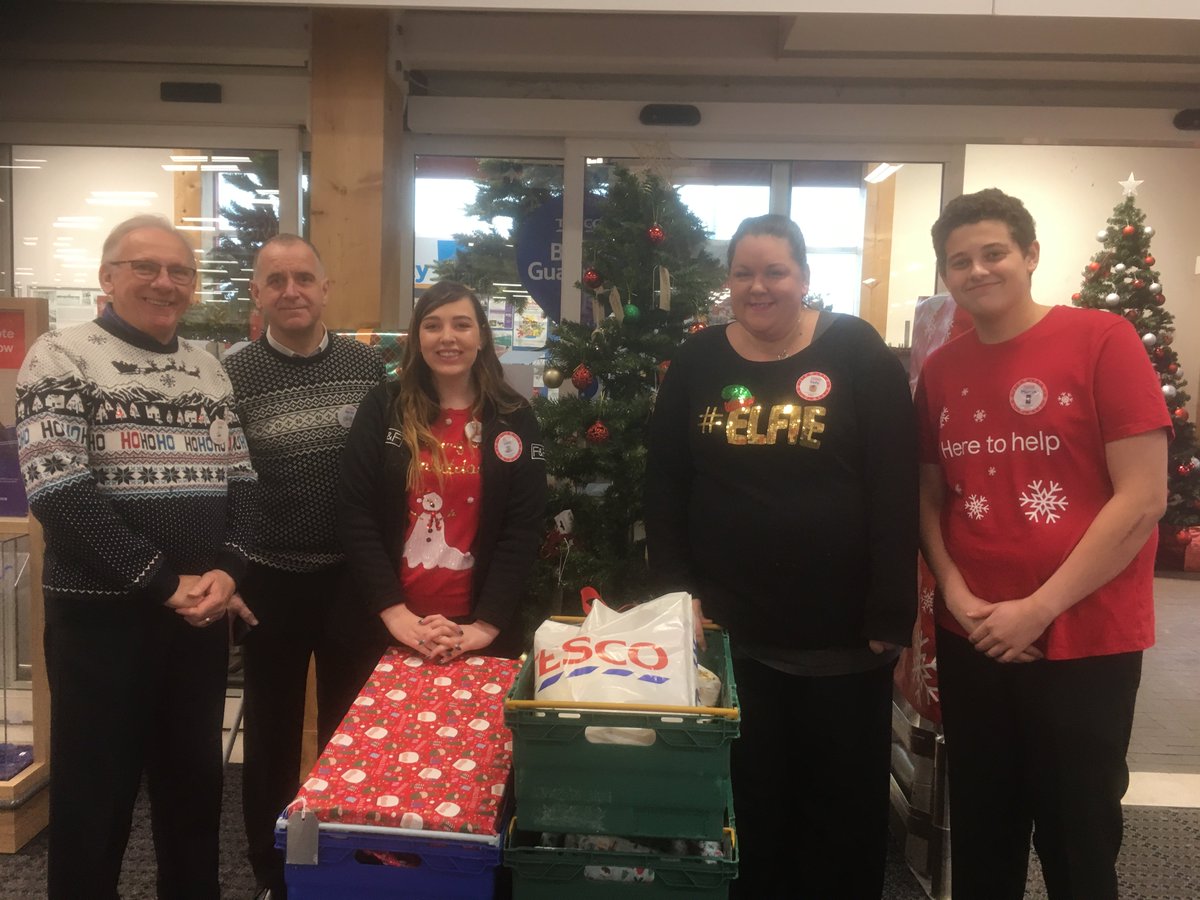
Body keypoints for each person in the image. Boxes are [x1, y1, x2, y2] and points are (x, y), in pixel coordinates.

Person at [646, 213, 918, 898]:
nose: (758, 286)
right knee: (751, 797)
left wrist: (892, 607)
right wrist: (680, 592)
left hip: (845, 634)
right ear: (728, 281)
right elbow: (666, 480)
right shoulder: (701, 359)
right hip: (735, 633)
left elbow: (895, 482)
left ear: (804, 277)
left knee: (842, 803)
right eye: (744, 273)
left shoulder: (856, 351)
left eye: (775, 271)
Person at [915, 188, 1170, 900]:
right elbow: (930, 497)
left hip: (1085, 635)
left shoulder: (1102, 339)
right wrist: (957, 596)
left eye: (993, 252)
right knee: (984, 828)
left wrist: (1038, 607)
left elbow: (1145, 497)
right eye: (958, 261)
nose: (977, 270)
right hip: (972, 634)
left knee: (1077, 836)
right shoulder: (940, 371)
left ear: (1030, 255)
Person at [15, 214, 258, 899]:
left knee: (194, 799)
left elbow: (243, 482)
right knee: (95, 804)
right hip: (101, 624)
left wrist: (228, 569)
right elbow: (59, 490)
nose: (164, 281)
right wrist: (161, 581)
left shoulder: (209, 369)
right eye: (145, 267)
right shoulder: (59, 355)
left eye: (179, 270)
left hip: (197, 623)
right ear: (107, 277)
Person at [223, 234, 388, 900]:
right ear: (257, 294)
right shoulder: (230, 374)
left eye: (303, 278)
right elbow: (223, 482)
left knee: (354, 730)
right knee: (272, 733)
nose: (291, 291)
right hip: (268, 578)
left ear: (325, 289)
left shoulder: (368, 365)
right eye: (276, 280)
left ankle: (352, 859)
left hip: (353, 580)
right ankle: (271, 872)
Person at [338, 280, 546, 662]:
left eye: (461, 324)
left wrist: (486, 625)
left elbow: (522, 527)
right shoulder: (384, 406)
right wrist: (393, 611)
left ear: (481, 336)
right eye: (433, 325)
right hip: (392, 627)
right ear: (418, 338)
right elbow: (355, 512)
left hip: (480, 631)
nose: (447, 337)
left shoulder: (514, 416)